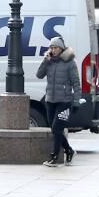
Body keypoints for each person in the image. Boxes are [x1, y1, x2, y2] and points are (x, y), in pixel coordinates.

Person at [37, 34, 79, 165]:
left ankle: (54, 156)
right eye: (51, 47)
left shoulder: (69, 63)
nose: (53, 50)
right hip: (50, 100)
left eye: (55, 47)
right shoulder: (49, 62)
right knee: (55, 129)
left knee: (56, 128)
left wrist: (76, 101)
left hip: (64, 101)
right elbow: (39, 75)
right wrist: (45, 61)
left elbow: (76, 83)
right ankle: (68, 150)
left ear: (61, 49)